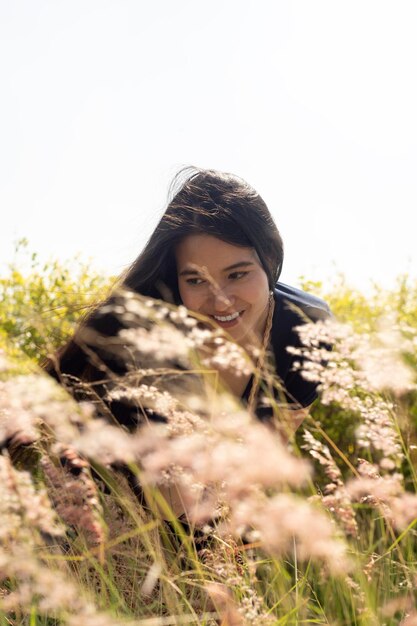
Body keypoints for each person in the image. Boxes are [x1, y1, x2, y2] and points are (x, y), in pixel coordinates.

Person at [45, 167, 331, 436]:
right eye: (196, 280)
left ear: (269, 259)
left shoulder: (307, 328)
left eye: (237, 274)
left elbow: (268, 466)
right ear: (176, 277)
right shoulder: (153, 339)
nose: (220, 303)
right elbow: (170, 485)